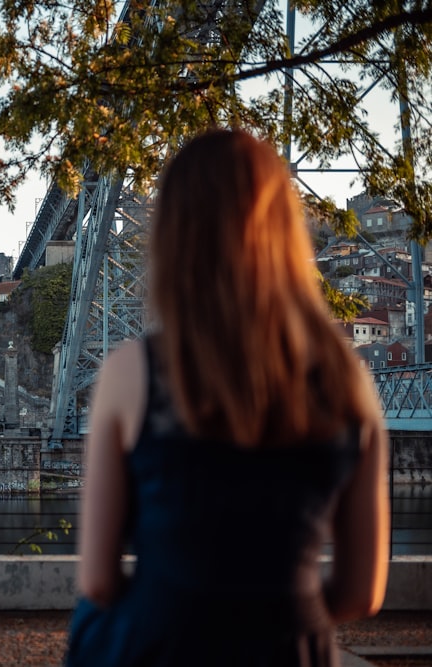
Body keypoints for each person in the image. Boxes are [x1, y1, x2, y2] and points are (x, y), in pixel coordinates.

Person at [66, 128, 389, 666]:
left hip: (162, 647)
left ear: (173, 237)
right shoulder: (347, 380)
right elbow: (362, 593)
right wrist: (278, 623)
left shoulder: (132, 372)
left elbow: (98, 580)